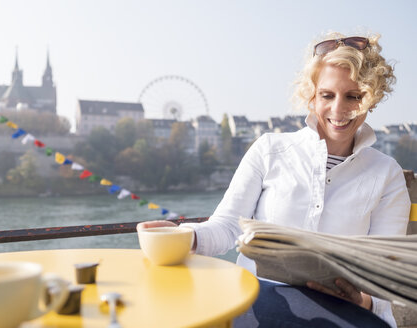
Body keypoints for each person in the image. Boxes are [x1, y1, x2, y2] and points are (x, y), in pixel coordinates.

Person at [137, 32, 411, 328]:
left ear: (371, 98)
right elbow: (229, 227)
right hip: (263, 297)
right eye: (327, 95)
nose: (338, 109)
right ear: (311, 95)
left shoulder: (387, 174)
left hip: (348, 309)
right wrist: (185, 236)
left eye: (353, 96)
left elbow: (387, 272)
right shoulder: (269, 149)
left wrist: (364, 300)